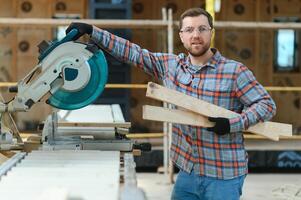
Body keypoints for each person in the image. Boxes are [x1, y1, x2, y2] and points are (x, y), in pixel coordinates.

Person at [66, 7, 276, 200]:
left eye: (202, 29)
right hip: (187, 172)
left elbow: (266, 105)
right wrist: (93, 31)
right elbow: (133, 52)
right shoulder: (171, 66)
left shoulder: (234, 72)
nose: (196, 35)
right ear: (181, 36)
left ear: (211, 32)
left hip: (223, 175)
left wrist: (233, 124)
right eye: (190, 30)